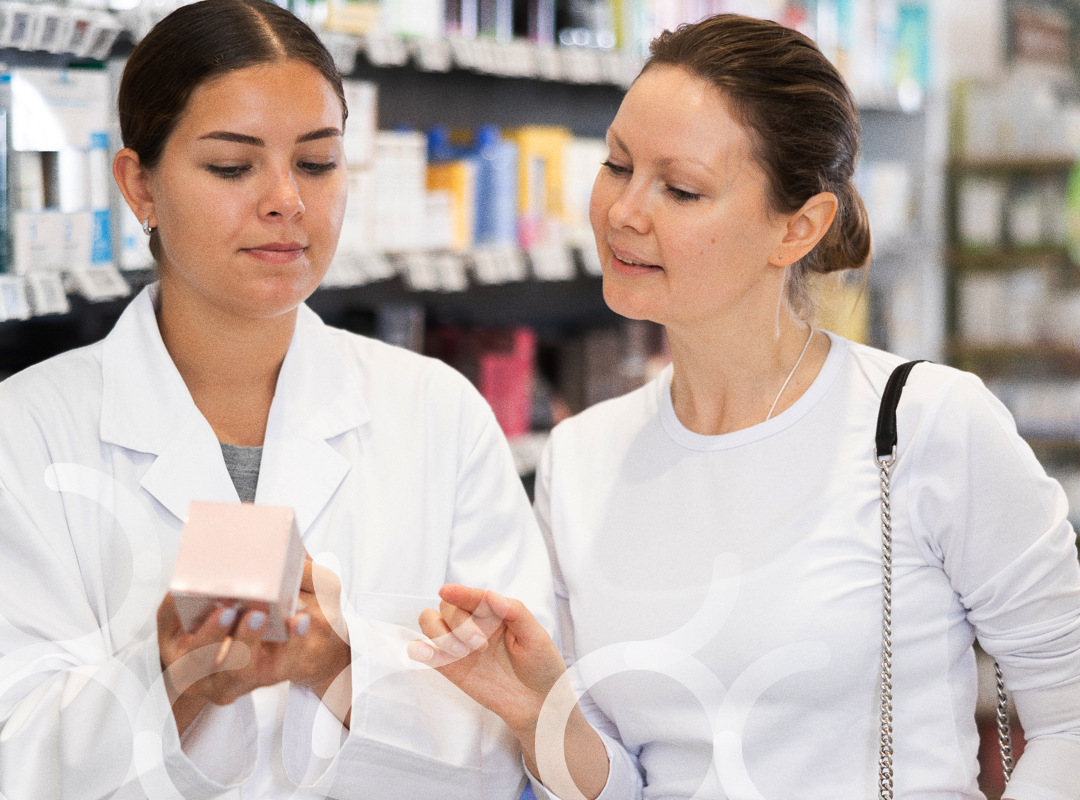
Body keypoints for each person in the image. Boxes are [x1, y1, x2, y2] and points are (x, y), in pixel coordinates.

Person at [410, 14, 1080, 800]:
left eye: (681, 188)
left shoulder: (924, 423)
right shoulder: (584, 455)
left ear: (798, 227)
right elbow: (624, 782)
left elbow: (1069, 719)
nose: (625, 211)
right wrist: (536, 714)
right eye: (617, 164)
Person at [0, 1, 554, 797]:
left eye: (318, 164)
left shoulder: (437, 412)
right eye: (233, 166)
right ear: (138, 185)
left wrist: (343, 660)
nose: (286, 200)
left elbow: (516, 735)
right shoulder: (24, 432)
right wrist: (166, 680)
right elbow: (14, 752)